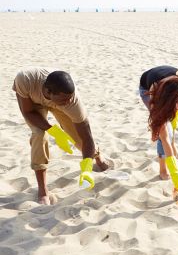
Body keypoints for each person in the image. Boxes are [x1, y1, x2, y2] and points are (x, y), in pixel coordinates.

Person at [13, 68, 109, 205]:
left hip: (55, 103)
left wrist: (87, 169)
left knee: (78, 138)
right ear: (48, 91)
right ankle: (43, 190)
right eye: (64, 99)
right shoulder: (25, 80)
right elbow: (28, 112)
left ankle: (97, 156)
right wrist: (55, 132)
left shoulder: (72, 102)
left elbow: (87, 137)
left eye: (70, 98)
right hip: (32, 104)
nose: (68, 101)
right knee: (39, 135)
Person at [139, 65, 178, 203]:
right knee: (164, 133)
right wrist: (176, 179)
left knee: (174, 121)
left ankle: (174, 144)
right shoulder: (156, 98)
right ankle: (162, 169)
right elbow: (164, 139)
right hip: (147, 88)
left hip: (173, 90)